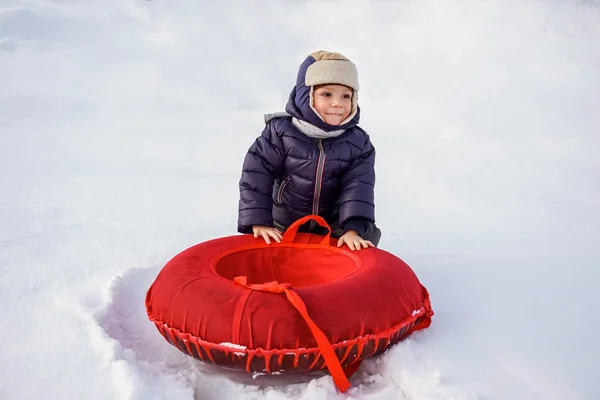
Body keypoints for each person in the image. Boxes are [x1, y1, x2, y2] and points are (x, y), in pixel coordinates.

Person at [237, 50, 381, 251]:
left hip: (332, 223)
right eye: (326, 94)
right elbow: (256, 174)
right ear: (307, 96)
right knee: (268, 243)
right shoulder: (281, 132)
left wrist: (353, 230)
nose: (337, 103)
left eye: (346, 96)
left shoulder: (358, 141)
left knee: (367, 232)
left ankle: (348, 265)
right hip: (284, 220)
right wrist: (258, 221)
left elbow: (358, 187)